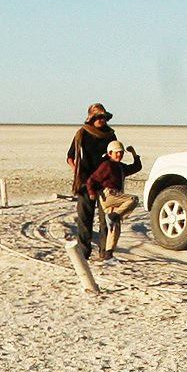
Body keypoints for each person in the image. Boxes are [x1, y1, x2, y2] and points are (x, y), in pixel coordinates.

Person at [66, 103, 117, 258]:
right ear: (92, 118)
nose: (101, 120)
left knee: (106, 220)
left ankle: (105, 252)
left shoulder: (110, 135)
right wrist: (77, 171)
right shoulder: (82, 133)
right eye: (98, 117)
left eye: (103, 117)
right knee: (84, 219)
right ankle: (84, 251)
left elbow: (115, 155)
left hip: (105, 183)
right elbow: (70, 156)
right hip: (85, 182)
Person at [82, 138, 142, 261]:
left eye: (121, 152)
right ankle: (114, 215)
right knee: (133, 199)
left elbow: (136, 167)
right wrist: (92, 193)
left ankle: (108, 254)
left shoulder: (120, 167)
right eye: (116, 152)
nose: (119, 155)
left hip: (116, 197)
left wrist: (134, 154)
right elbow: (92, 180)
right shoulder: (107, 165)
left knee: (115, 228)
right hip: (109, 196)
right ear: (110, 153)